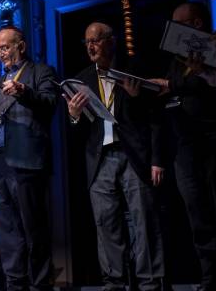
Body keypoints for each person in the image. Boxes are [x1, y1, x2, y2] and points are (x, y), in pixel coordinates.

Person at [67, 22, 165, 291]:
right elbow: (79, 129)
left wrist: (157, 159)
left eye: (96, 40)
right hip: (99, 159)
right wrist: (74, 117)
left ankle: (150, 282)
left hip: (134, 155)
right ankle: (115, 283)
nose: (91, 46)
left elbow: (155, 118)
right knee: (106, 224)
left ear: (111, 41)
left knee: (144, 220)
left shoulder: (134, 70)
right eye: (87, 41)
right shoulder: (82, 79)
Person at [150, 2, 216, 290]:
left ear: (197, 25)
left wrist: (173, 85)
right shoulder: (176, 60)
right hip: (185, 146)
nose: (174, 30)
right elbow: (170, 91)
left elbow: (209, 86)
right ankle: (210, 277)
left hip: (215, 140)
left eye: (179, 23)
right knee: (197, 213)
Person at [0, 25, 57, 291]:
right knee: (7, 231)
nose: (1, 53)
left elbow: (50, 103)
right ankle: (15, 285)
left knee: (33, 229)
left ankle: (40, 284)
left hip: (27, 160)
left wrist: (23, 91)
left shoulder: (41, 72)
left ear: (21, 46)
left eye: (5, 47)